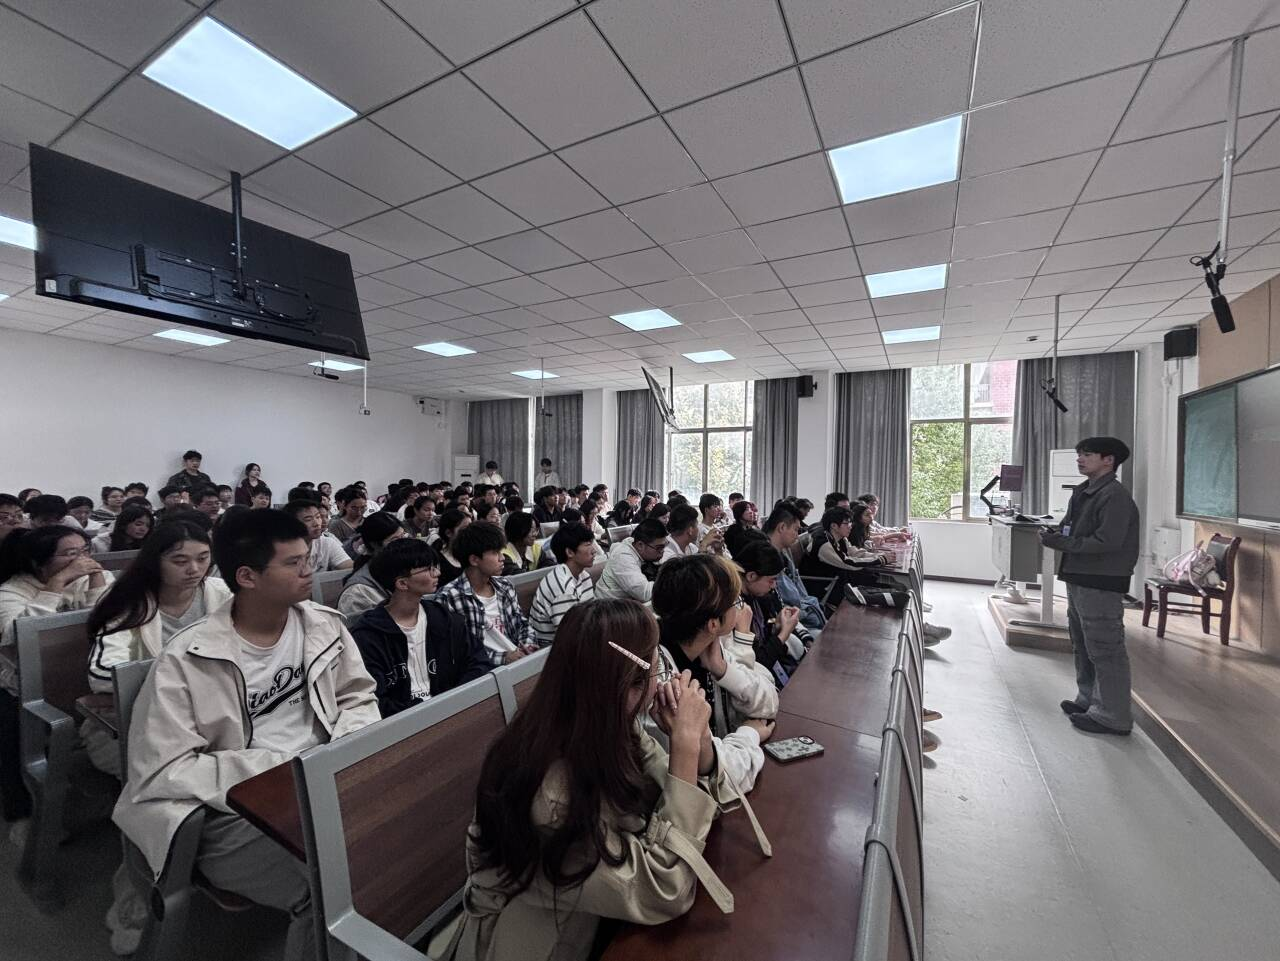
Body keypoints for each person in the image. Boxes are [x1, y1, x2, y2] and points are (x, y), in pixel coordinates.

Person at [113, 509, 379, 961]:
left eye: (307, 558)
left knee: (401, 839)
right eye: (293, 563)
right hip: (231, 812)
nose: (309, 570)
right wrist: (279, 770)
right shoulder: (188, 658)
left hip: (323, 781)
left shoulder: (323, 625)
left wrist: (342, 750)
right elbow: (165, 768)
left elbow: (357, 696)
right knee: (337, 886)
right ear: (247, 576)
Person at [450, 600, 743, 960]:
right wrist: (683, 749)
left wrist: (699, 744)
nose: (664, 678)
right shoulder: (550, 799)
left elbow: (701, 809)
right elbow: (665, 890)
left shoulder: (610, 726)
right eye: (657, 666)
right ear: (625, 682)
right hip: (540, 944)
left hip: (598, 924)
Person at [86, 522, 232, 772]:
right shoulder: (130, 602)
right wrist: (186, 678)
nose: (194, 569)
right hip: (141, 725)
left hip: (213, 713)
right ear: (154, 561)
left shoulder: (221, 593)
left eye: (203, 558)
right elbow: (103, 674)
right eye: (180, 561)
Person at [0, 525, 115, 828]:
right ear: (38, 563)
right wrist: (56, 585)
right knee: (13, 734)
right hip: (21, 685)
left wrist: (97, 580)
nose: (81, 560)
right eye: (70, 554)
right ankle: (24, 814)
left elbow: (109, 625)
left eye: (84, 551)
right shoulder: (10, 592)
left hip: (79, 675)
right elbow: (19, 639)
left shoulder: (90, 578)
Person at [651, 554, 778, 792]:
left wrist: (723, 670)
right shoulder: (660, 680)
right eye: (736, 602)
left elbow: (769, 701)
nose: (740, 607)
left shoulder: (709, 645)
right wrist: (749, 734)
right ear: (713, 624)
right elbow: (712, 776)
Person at [1040, 437, 1140, 736]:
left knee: (1105, 647)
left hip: (1100, 579)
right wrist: (1055, 534)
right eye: (1079, 454)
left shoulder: (1114, 496)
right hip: (1079, 575)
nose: (1080, 459)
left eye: (1088, 454)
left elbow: (1107, 541)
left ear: (1109, 460)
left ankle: (1113, 715)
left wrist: (1062, 542)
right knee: (1083, 643)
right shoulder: (1084, 491)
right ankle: (1088, 700)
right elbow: (1072, 528)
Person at [348, 539, 490, 718]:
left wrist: (455, 700)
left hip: (455, 711)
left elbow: (479, 661)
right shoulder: (368, 635)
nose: (437, 573)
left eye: (435, 566)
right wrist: (427, 711)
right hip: (403, 722)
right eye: (428, 569)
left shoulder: (443, 617)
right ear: (402, 583)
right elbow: (375, 699)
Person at [437, 522, 536, 667]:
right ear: (474, 560)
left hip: (518, 661)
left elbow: (522, 623)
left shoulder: (504, 586)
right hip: (483, 671)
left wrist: (527, 645)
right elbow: (458, 651)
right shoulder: (450, 597)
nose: (502, 558)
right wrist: (503, 658)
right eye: (495, 553)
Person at [734, 539, 808, 688]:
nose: (774, 586)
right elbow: (757, 663)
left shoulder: (758, 596)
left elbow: (765, 639)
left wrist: (777, 627)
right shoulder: (736, 609)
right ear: (751, 576)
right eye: (771, 580)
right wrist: (783, 634)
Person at [528, 525, 597, 646]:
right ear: (570, 552)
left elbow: (591, 614)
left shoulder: (583, 576)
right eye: (587, 545)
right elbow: (569, 636)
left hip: (578, 635)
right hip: (550, 647)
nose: (594, 550)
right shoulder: (562, 587)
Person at [762, 503, 826, 631]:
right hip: (787, 621)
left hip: (800, 614)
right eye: (796, 530)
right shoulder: (764, 558)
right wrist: (805, 612)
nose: (797, 536)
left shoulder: (783, 552)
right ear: (782, 527)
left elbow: (799, 592)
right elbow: (779, 605)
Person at [336, 513, 406, 620]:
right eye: (395, 540)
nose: (404, 544)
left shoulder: (401, 568)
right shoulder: (358, 592)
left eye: (403, 536)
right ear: (374, 545)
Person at [282, 500, 353, 573]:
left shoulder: (326, 543)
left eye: (318, 517)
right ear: (292, 524)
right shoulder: (281, 549)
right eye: (308, 519)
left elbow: (350, 568)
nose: (317, 523)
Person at [434, 508, 472, 587]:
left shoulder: (473, 552)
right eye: (464, 530)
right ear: (448, 533)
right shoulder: (437, 560)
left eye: (471, 528)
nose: (470, 533)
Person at [500, 510, 542, 575]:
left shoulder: (535, 548)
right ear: (517, 531)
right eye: (531, 530)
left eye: (536, 530)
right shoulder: (505, 555)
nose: (535, 534)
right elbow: (520, 577)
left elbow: (549, 566)